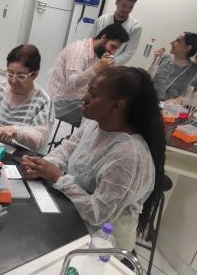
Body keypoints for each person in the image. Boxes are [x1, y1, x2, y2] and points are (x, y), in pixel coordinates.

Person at [21, 66, 166, 252]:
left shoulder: (129, 156)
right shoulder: (94, 124)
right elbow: (67, 149)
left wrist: (57, 177)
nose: (84, 97)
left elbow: (99, 214)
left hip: (103, 245)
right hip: (73, 215)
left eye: (93, 93)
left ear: (117, 105)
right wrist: (42, 166)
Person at [0, 44, 54, 152]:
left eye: (21, 76)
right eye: (10, 74)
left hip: (16, 155)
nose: (13, 81)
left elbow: (40, 138)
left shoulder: (43, 101)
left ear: (34, 75)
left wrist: (16, 131)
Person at [47, 23, 129, 126]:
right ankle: (83, 141)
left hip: (78, 100)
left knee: (112, 112)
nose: (112, 52)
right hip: (61, 103)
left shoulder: (98, 54)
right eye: (112, 47)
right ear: (103, 38)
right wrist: (97, 68)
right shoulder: (79, 50)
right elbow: (72, 84)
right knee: (101, 118)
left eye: (116, 49)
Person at [90, 0, 141, 65]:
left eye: (130, 7)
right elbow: (91, 40)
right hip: (92, 61)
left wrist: (108, 64)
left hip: (112, 66)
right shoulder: (102, 19)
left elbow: (129, 52)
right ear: (117, 2)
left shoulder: (135, 27)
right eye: (124, 5)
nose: (126, 10)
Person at [148, 32, 197, 102]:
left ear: (188, 48)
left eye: (178, 41)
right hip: (148, 101)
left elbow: (192, 98)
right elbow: (146, 78)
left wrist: (179, 100)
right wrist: (154, 61)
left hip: (170, 111)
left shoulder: (194, 72)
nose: (171, 42)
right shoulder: (164, 58)